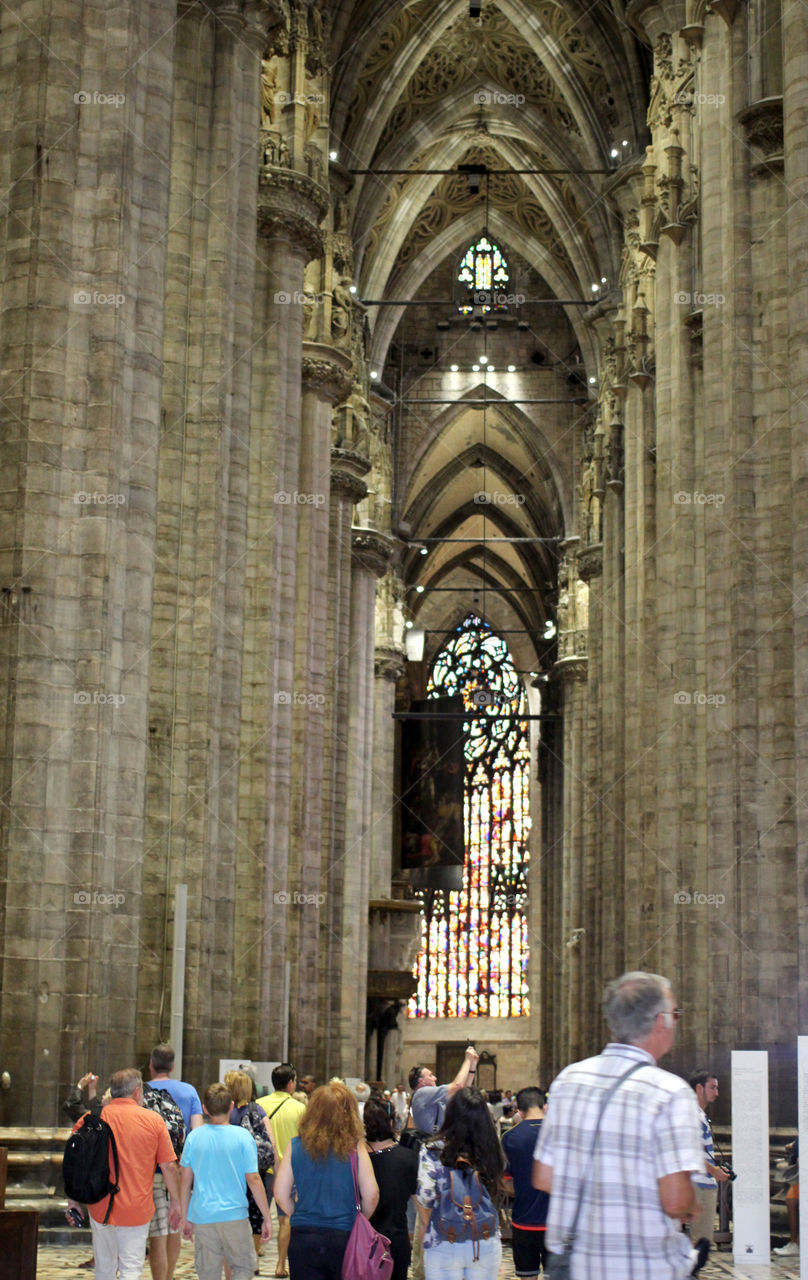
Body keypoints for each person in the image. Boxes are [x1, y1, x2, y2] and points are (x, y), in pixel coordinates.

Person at [533, 971, 706, 1280]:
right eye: (675, 1014)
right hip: (641, 1268)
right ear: (659, 1022)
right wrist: (691, 1202)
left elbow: (544, 1177)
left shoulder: (568, 1080)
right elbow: (675, 1200)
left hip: (576, 1266)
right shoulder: (670, 1092)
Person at [66, 1068, 181, 1280]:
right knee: (131, 1269)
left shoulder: (90, 1119)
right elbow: (169, 1167)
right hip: (135, 1208)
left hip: (100, 1205)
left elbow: (75, 1164)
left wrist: (73, 1202)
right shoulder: (153, 1121)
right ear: (137, 1091)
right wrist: (176, 1202)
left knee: (104, 1269)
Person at [273, 1081, 379, 1280]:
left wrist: (300, 1213)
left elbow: (280, 1193)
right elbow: (372, 1195)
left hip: (304, 1237)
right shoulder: (356, 1148)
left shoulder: (295, 1146)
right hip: (344, 1235)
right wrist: (359, 1219)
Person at [179, 1081, 272, 1280]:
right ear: (231, 1105)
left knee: (207, 1272)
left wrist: (185, 1216)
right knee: (242, 1268)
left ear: (204, 1109)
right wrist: (266, 1216)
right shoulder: (243, 1137)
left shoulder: (194, 1138)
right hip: (235, 1216)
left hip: (203, 1216)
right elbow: (254, 1180)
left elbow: (185, 1181)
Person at [416, 1086, 504, 1279]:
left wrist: (427, 1229)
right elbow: (496, 1187)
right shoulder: (491, 1146)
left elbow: (425, 1199)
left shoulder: (433, 1149)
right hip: (484, 1235)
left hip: (443, 1238)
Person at [256, 1062, 307, 1278]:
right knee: (285, 1218)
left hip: (261, 1168)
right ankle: (280, 1264)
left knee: (258, 1214)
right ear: (290, 1083)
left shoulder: (258, 1104)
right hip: (290, 1171)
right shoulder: (300, 1108)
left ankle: (254, 1258)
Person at [225, 1069, 276, 1273]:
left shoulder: (226, 1113)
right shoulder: (258, 1110)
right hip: (255, 1170)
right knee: (255, 1217)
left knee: (234, 1217)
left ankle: (232, 1261)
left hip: (231, 1173)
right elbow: (270, 1142)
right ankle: (253, 1259)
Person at [364, 1097, 419, 1280]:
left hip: (362, 1240)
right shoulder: (408, 1158)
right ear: (391, 1122)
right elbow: (421, 1207)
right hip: (396, 1240)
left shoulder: (355, 1159)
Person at [501, 1087, 549, 1280]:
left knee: (527, 1276)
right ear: (545, 1106)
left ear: (519, 1111)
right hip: (556, 1222)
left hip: (523, 1220)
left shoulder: (510, 1138)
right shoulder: (562, 1134)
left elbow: (505, 1182)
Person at [687, 1069, 729, 1271]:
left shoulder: (698, 1115)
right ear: (699, 1088)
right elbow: (691, 1152)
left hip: (702, 1184)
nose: (717, 1093)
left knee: (699, 1241)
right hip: (700, 1186)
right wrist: (715, 1172)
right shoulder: (693, 1115)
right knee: (700, 1243)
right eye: (712, 1087)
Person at [408, 1044, 480, 1135]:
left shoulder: (433, 1098)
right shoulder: (421, 1093)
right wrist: (467, 1059)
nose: (435, 1078)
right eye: (430, 1075)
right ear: (421, 1081)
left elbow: (463, 1093)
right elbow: (457, 1085)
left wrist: (472, 1066)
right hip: (431, 1145)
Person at [148, 1042, 204, 1135]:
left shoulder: (139, 1091)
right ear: (172, 1067)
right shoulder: (189, 1091)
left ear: (151, 1065)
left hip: (150, 1148)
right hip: (181, 1148)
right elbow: (197, 1131)